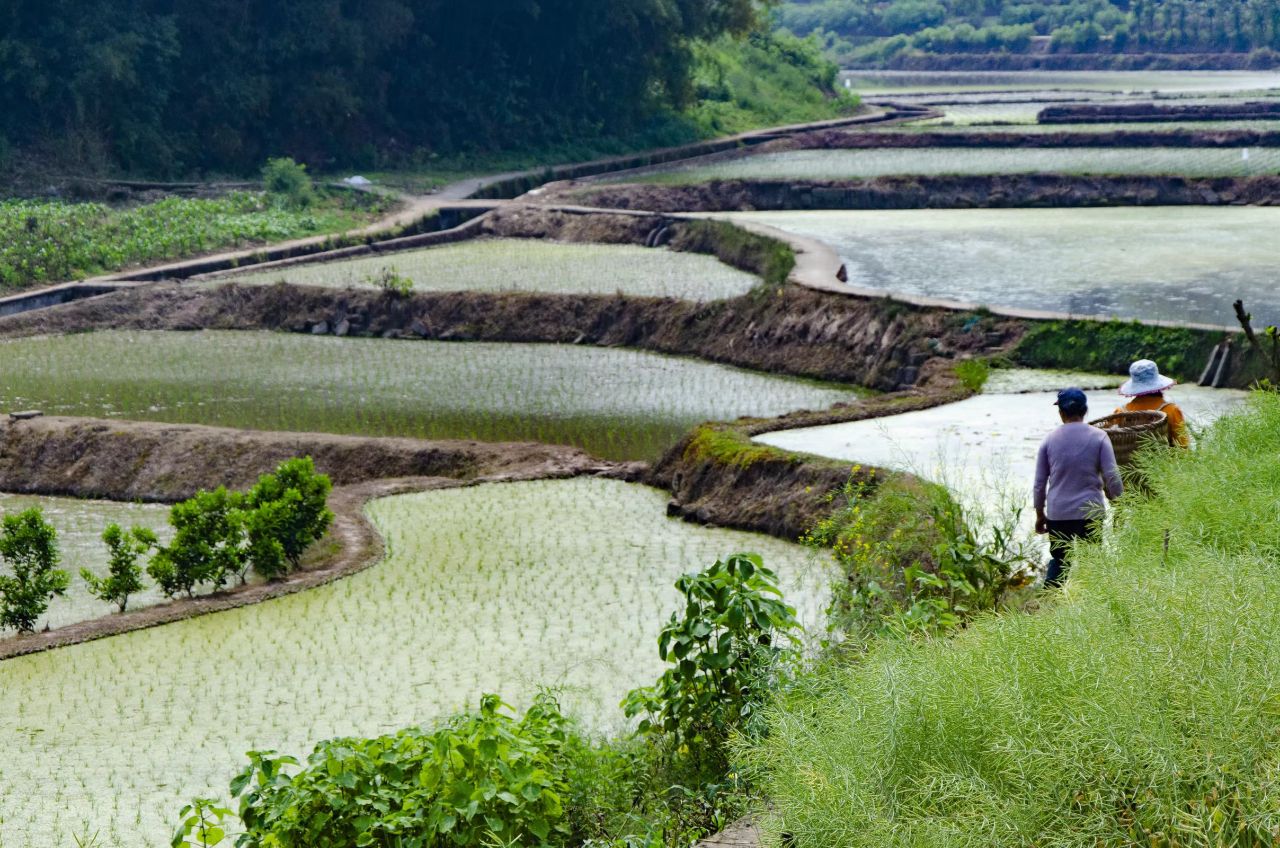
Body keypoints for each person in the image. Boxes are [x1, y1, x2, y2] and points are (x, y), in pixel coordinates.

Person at [1033, 388, 1124, 588]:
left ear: (1061, 413)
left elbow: (1040, 482)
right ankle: (1092, 605)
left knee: (1059, 560)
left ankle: (1050, 604)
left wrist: (1040, 514)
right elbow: (1112, 475)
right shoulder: (1099, 437)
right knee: (1092, 559)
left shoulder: (1049, 440)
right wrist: (1121, 503)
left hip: (1058, 513)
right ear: (1085, 411)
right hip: (1090, 511)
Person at [1115, 359, 1188, 447]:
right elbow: (1183, 446)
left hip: (1128, 460)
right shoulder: (1171, 410)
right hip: (1163, 460)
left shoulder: (1120, 412)